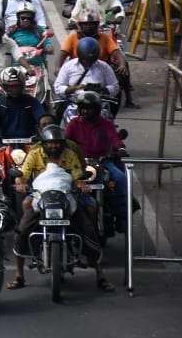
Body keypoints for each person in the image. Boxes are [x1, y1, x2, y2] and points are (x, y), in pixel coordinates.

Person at [12, 124, 110, 291]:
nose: (54, 146)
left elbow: (78, 176)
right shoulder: (34, 154)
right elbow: (24, 175)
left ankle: (100, 275)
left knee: (88, 230)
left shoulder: (70, 155)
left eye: (57, 142)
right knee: (22, 230)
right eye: (50, 143)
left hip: (66, 196)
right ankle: (19, 276)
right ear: (44, 144)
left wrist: (81, 184)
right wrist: (20, 184)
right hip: (40, 196)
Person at [64, 90, 129, 224]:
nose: (86, 112)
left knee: (120, 178)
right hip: (78, 163)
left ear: (98, 109)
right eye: (83, 108)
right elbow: (65, 141)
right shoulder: (74, 124)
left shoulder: (106, 124)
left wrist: (121, 148)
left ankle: (122, 216)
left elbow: (114, 138)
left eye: (90, 108)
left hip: (102, 161)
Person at [0, 66, 44, 139]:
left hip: (30, 144)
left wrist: (46, 122)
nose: (14, 89)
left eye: (17, 86)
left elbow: (42, 118)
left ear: (23, 85)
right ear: (4, 87)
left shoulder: (32, 101)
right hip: (2, 144)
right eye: (10, 86)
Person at [54, 36, 120, 100]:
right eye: (85, 60)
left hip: (98, 101)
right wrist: (74, 88)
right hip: (74, 101)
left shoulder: (104, 66)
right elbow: (57, 87)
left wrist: (101, 90)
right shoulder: (68, 66)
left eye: (92, 60)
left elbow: (115, 87)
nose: (88, 63)